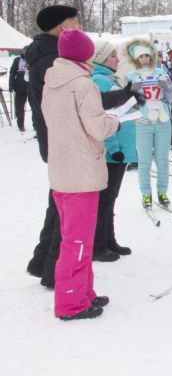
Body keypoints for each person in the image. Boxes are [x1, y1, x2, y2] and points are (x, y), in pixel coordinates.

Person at [42, 28, 120, 320]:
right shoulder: (82, 85)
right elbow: (97, 127)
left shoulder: (53, 81)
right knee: (76, 241)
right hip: (81, 173)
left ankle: (83, 292)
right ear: (83, 54)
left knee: (76, 236)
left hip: (62, 169)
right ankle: (71, 303)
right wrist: (114, 122)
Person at [25, 4, 80, 289]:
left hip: (54, 137)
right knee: (67, 207)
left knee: (58, 202)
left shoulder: (46, 55)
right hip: (62, 139)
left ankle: (41, 261)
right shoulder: (52, 60)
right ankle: (53, 269)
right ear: (61, 28)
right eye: (74, 23)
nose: (78, 28)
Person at [91, 40, 137, 262]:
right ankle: (98, 245)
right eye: (112, 56)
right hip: (112, 151)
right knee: (105, 199)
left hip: (120, 148)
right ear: (100, 58)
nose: (117, 59)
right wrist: (114, 147)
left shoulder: (111, 78)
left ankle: (109, 240)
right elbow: (103, 115)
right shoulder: (100, 80)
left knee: (110, 198)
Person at [124, 38, 172, 209]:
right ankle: (146, 194)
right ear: (135, 59)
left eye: (147, 55)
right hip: (144, 122)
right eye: (141, 57)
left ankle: (163, 192)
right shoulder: (131, 76)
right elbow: (126, 102)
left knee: (162, 160)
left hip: (163, 121)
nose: (145, 59)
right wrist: (132, 90)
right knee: (145, 161)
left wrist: (167, 87)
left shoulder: (161, 72)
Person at [8, 48, 29, 131]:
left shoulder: (33, 58)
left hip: (31, 86)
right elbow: (12, 72)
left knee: (35, 107)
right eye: (24, 51)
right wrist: (11, 85)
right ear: (22, 52)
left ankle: (36, 126)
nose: (26, 53)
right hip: (19, 87)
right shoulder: (17, 60)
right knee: (19, 108)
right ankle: (21, 125)